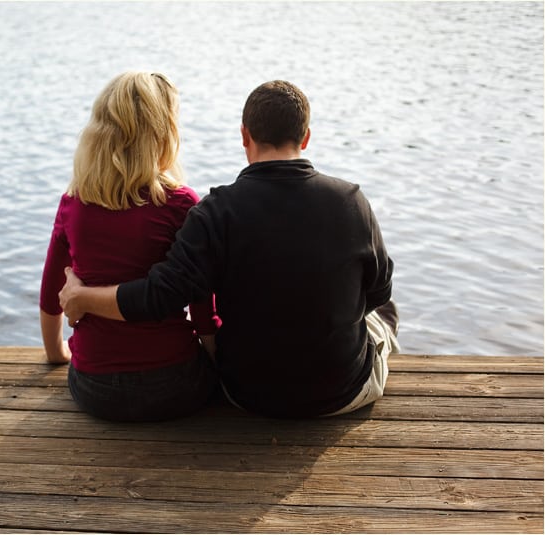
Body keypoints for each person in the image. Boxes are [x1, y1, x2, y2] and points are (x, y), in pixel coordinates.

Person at [58, 79, 400, 418]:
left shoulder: (214, 211)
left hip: (248, 393)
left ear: (244, 136)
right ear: (306, 137)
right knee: (385, 313)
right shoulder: (351, 201)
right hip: (342, 393)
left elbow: (160, 294)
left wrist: (84, 297)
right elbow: (379, 291)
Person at [39, 71, 219, 422]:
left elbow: (50, 294)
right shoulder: (180, 204)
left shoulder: (73, 204)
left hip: (94, 387)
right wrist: (214, 362)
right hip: (175, 383)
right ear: (162, 132)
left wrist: (57, 354)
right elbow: (202, 310)